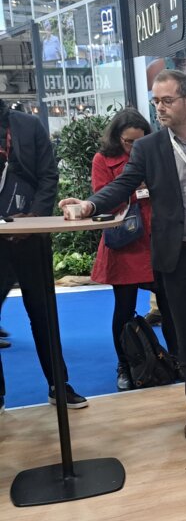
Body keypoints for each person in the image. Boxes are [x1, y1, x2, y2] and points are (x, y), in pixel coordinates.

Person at [59, 69, 186, 439]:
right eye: (156, 101)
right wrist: (90, 205)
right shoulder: (148, 148)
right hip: (177, 255)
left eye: (166, 100)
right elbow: (122, 186)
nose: (159, 108)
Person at [0, 98, 87, 411]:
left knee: (43, 313)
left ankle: (58, 384)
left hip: (30, 236)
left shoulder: (27, 125)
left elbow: (48, 176)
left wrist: (34, 219)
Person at [90, 109, 178, 390]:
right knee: (124, 308)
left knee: (170, 306)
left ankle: (177, 360)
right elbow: (103, 200)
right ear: (118, 138)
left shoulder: (157, 153)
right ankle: (125, 365)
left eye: (139, 141)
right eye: (129, 142)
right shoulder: (102, 160)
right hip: (124, 243)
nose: (134, 147)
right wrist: (132, 187)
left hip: (157, 239)